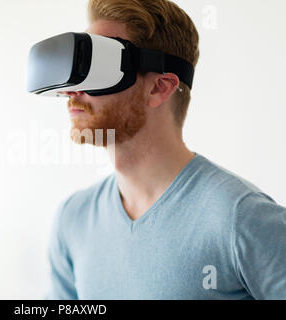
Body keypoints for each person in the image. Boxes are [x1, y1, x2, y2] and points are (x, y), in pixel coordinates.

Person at [46, 0, 286, 299]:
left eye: (97, 69)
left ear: (160, 87)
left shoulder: (240, 217)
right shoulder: (73, 219)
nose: (71, 90)